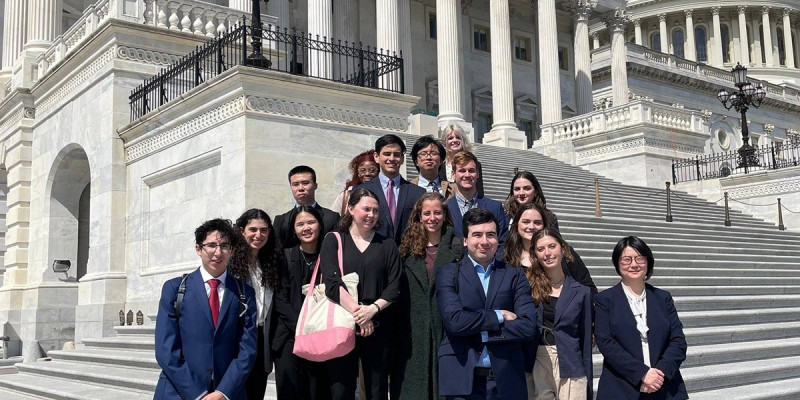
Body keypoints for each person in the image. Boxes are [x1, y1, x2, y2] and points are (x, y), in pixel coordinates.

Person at [436, 208, 538, 400]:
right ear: (465, 240)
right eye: (477, 235)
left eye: (490, 235)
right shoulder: (448, 273)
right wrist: (499, 316)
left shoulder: (514, 274)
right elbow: (455, 322)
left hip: (507, 381)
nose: (484, 241)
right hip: (462, 381)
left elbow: (527, 326)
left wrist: (478, 332)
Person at [154, 219, 257, 400]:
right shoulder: (175, 289)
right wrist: (198, 394)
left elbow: (247, 349)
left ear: (232, 251)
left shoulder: (244, 293)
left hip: (227, 393)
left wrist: (222, 392)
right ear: (198, 249)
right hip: (179, 392)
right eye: (211, 245)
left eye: (224, 246)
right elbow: (165, 349)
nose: (218, 252)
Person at [320, 188, 403, 400]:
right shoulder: (334, 239)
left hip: (379, 325)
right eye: (366, 209)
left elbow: (394, 285)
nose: (371, 215)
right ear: (350, 209)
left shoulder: (387, 244)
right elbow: (331, 283)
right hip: (343, 324)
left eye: (376, 210)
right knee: (341, 389)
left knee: (377, 389)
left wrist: (372, 310)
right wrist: (360, 315)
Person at [595, 236, 688, 400]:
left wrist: (659, 375)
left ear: (648, 262)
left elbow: (678, 341)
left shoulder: (663, 298)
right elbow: (606, 343)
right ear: (617, 263)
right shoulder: (605, 300)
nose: (634, 264)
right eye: (626, 259)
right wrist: (642, 373)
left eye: (640, 258)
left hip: (664, 386)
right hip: (622, 387)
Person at [394, 193, 464, 400]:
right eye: (427, 213)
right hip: (413, 332)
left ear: (445, 215)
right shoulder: (405, 249)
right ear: (419, 216)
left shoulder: (458, 248)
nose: (432, 218)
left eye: (437, 212)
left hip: (446, 330)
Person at [271, 206, 331, 400]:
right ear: (294, 229)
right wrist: (302, 326)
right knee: (290, 391)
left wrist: (313, 328)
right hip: (289, 336)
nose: (306, 228)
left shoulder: (329, 256)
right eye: (300, 224)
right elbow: (280, 298)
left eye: (311, 222)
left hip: (320, 335)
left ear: (320, 226)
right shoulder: (284, 256)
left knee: (317, 391)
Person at [527, 229, 593, 400]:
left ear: (562, 249)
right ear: (535, 254)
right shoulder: (528, 287)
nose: (547, 253)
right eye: (541, 249)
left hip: (571, 362)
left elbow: (585, 339)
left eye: (552, 246)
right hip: (538, 361)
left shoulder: (581, 292)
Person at [229, 209, 282, 400]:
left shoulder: (269, 262)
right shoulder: (230, 262)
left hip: (262, 337)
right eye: (253, 229)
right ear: (241, 231)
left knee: (257, 389)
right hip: (238, 337)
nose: (258, 235)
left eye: (264, 230)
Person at [504, 202, 597, 295]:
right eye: (526, 222)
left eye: (537, 223)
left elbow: (588, 287)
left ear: (544, 226)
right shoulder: (506, 256)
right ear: (516, 225)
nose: (531, 227)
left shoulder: (563, 252)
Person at [355, 134, 425, 245]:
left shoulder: (418, 193)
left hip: (408, 257)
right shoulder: (361, 191)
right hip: (373, 254)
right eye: (387, 154)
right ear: (376, 157)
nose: (392, 159)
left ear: (402, 159)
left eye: (396, 155)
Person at [445, 151, 507, 242]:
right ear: (453, 174)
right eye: (462, 170)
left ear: (477, 174)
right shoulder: (446, 208)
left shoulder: (495, 208)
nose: (467, 175)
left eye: (471, 170)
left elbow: (502, 243)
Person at [274, 165, 341, 247]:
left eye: (305, 183)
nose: (300, 188)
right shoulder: (281, 221)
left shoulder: (332, 218)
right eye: (295, 184)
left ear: (315, 185)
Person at [438, 124, 484, 197]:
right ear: (445, 142)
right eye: (450, 138)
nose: (454, 140)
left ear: (463, 140)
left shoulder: (475, 164)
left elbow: (479, 190)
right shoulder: (439, 165)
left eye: (458, 137)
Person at [331, 150, 379, 216]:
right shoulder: (346, 195)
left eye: (372, 170)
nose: (367, 174)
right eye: (363, 170)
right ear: (357, 173)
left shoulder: (385, 193)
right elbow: (332, 218)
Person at [409, 135, 456, 200]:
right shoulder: (409, 188)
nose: (428, 157)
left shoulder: (452, 189)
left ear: (441, 160)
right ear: (416, 161)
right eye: (423, 153)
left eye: (433, 153)